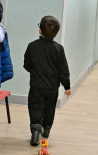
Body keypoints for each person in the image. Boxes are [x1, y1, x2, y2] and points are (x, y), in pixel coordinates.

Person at [24, 15, 71, 146]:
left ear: (40, 30)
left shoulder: (32, 46)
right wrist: (67, 86)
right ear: (56, 32)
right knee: (49, 108)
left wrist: (35, 71)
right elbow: (63, 70)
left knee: (35, 107)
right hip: (52, 88)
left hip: (36, 86)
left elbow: (27, 65)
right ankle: (47, 130)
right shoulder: (58, 49)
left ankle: (35, 132)